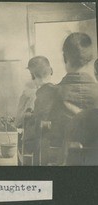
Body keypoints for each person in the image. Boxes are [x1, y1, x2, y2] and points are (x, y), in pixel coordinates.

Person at [46, 32, 98, 164]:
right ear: (91, 58)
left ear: (65, 58)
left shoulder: (49, 93)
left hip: (62, 164)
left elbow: (39, 135)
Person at [16, 56, 55, 165]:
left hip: (35, 148)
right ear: (51, 71)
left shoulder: (28, 94)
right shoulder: (59, 92)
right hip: (56, 146)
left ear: (32, 75)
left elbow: (18, 122)